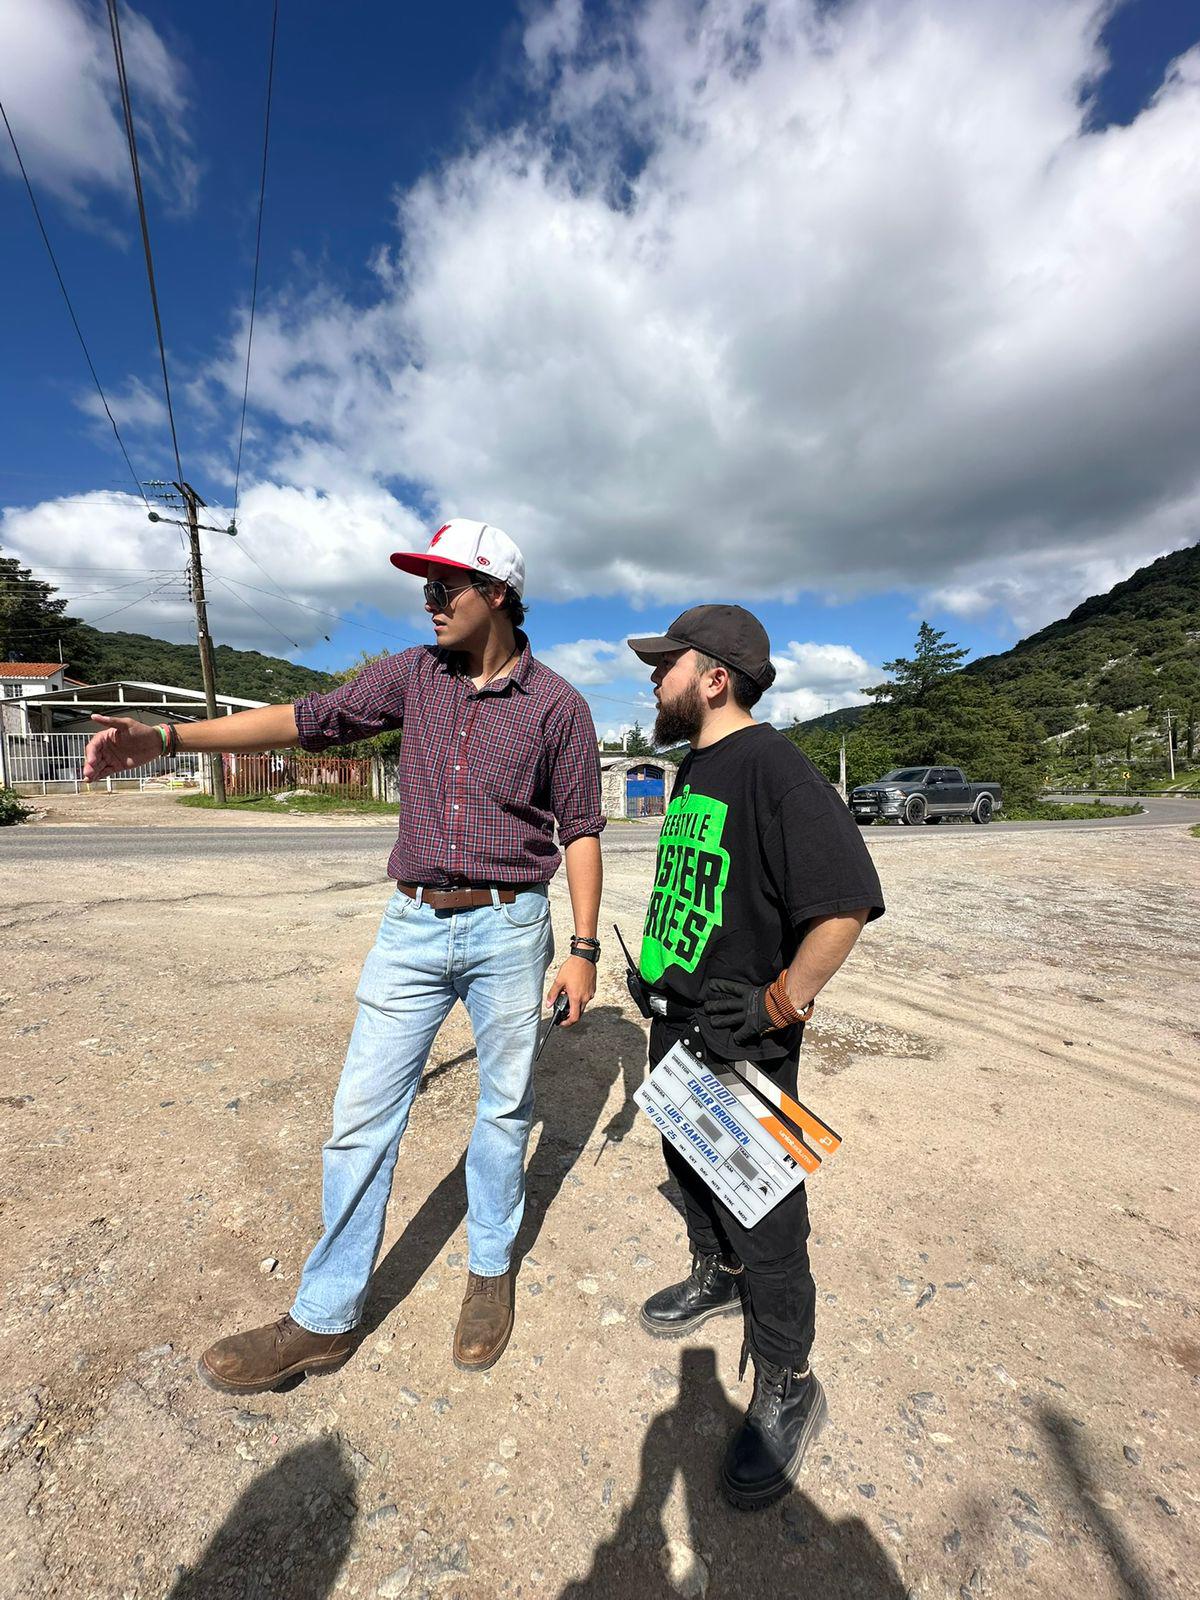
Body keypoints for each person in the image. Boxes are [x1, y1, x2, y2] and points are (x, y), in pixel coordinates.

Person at [83, 519, 606, 1387]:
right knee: (361, 1116)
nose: (429, 602)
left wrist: (583, 946)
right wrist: (167, 740)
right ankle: (324, 1318)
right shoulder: (411, 677)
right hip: (410, 926)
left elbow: (582, 828)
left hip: (513, 927)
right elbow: (302, 720)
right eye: (426, 587)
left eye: (448, 587)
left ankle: (487, 1269)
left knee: (505, 1109)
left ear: (500, 595)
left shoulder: (559, 707)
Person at [624, 604, 884, 1510]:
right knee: (688, 1167)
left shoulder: (773, 766)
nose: (653, 680)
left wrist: (780, 1001)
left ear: (715, 678)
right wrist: (656, 971)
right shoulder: (698, 766)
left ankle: (789, 1383)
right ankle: (714, 1275)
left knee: (767, 1216)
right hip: (679, 1020)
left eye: (667, 667)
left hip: (744, 1036)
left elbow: (845, 902)